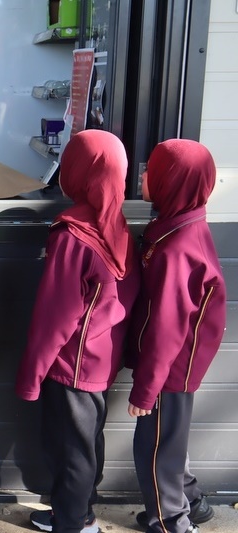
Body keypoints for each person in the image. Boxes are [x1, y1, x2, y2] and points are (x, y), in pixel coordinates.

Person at [15, 130, 141, 533]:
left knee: (70, 451)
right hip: (101, 360)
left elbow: (55, 315)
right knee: (87, 445)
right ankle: (81, 512)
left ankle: (72, 524)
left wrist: (32, 377)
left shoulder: (73, 236)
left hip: (71, 364)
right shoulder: (118, 225)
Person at [126, 139, 226, 533]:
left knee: (154, 450)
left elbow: (167, 325)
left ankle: (171, 521)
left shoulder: (177, 248)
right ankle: (194, 501)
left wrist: (145, 390)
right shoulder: (181, 222)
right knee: (171, 439)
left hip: (171, 367)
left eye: (152, 169)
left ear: (173, 180)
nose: (143, 175)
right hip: (179, 362)